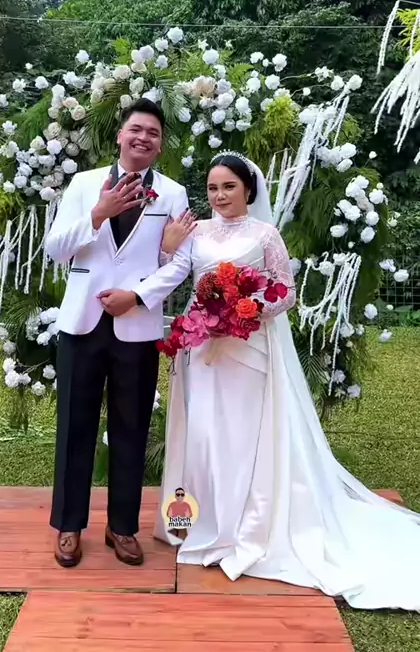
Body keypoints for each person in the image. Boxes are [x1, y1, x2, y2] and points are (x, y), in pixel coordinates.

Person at [154, 151, 420, 611]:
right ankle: (202, 521)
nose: (220, 196)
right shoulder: (196, 233)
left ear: (248, 189)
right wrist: (169, 252)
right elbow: (174, 277)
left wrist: (246, 310)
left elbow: (286, 292)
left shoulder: (265, 234)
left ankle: (249, 525)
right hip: (203, 348)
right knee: (203, 433)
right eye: (213, 188)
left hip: (248, 349)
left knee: (244, 434)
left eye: (229, 187)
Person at [45, 98, 193, 568]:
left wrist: (139, 295)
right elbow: (55, 248)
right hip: (82, 323)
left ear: (160, 145)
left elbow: (181, 263)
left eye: (153, 132)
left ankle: (122, 527)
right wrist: (97, 214)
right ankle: (69, 525)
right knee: (75, 426)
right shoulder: (84, 184)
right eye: (136, 129)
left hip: (137, 326)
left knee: (131, 427)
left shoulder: (172, 193)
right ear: (120, 136)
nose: (143, 137)